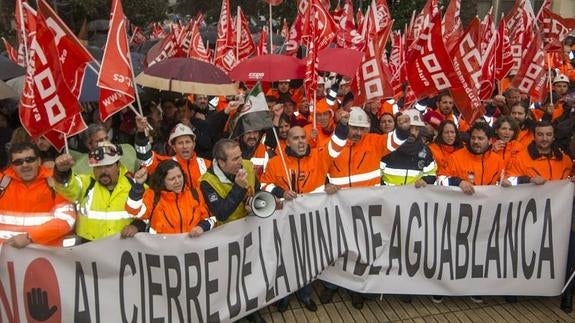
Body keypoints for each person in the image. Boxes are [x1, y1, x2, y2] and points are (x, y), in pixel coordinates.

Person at [260, 126, 338, 313]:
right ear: (287, 141)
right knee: (284, 260)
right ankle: (283, 296)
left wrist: (329, 186)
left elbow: (328, 180)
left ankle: (306, 294)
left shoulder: (319, 159)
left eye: (303, 137)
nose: (301, 141)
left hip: (311, 222)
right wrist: (280, 192)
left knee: (307, 261)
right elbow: (263, 184)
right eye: (296, 138)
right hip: (284, 223)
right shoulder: (275, 163)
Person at [199, 139, 265, 323]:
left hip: (249, 231)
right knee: (229, 279)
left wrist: (256, 203)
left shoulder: (248, 166)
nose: (240, 161)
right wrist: (238, 188)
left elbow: (257, 189)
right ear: (221, 162)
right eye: (235, 159)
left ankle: (251, 309)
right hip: (226, 239)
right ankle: (232, 313)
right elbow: (221, 213)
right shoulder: (207, 182)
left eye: (241, 156)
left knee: (249, 274)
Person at [53, 141, 144, 242]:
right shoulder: (86, 184)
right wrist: (62, 173)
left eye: (108, 166)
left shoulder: (136, 186)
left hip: (122, 252)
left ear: (118, 165)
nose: (103, 171)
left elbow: (150, 215)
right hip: (89, 252)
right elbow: (68, 187)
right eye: (98, 167)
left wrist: (137, 226)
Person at [0, 142, 76, 247]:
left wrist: (30, 237)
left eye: (30, 160)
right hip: (5, 257)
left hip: (44, 257)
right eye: (18, 162)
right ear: (12, 165)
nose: (25, 165)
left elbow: (67, 219)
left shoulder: (56, 181)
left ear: (39, 161)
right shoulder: (2, 182)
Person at [123, 160, 215, 236]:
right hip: (163, 254)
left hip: (193, 252)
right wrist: (138, 185)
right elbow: (134, 212)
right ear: (162, 181)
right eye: (172, 179)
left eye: (179, 176)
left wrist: (202, 227)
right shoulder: (153, 197)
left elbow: (213, 218)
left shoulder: (196, 194)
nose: (178, 181)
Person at [135, 120, 211, 205]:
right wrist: (141, 133)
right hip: (175, 214)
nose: (185, 146)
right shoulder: (165, 164)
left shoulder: (207, 164)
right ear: (174, 147)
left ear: (194, 144)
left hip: (203, 214)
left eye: (188, 142)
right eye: (180, 143)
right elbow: (146, 160)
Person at [438, 121, 505, 197]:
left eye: (480, 138)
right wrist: (459, 182)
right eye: (473, 138)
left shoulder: (498, 161)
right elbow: (440, 179)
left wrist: (507, 183)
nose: (475, 141)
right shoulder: (455, 158)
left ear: (490, 141)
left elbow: (504, 183)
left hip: (487, 206)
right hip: (461, 205)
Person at [380, 109, 437, 186]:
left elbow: (431, 173)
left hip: (414, 196)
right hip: (388, 195)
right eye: (409, 128)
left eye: (416, 129)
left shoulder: (425, 151)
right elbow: (376, 174)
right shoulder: (389, 147)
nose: (413, 132)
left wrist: (425, 180)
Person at [70, 123, 138, 174]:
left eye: (106, 138)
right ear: (89, 145)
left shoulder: (127, 149)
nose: (105, 143)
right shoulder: (79, 168)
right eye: (99, 141)